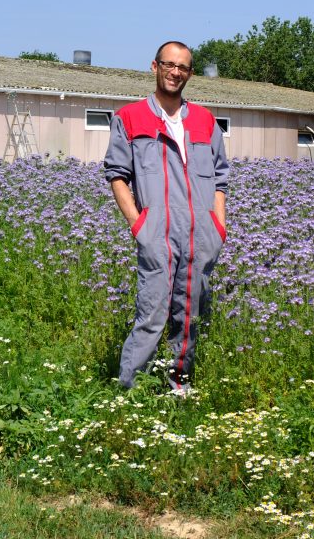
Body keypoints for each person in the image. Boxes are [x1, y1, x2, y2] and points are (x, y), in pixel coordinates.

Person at [103, 41, 229, 393]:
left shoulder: (205, 120)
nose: (176, 72)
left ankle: (179, 384)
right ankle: (130, 391)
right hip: (156, 233)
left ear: (189, 73)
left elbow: (221, 177)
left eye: (183, 67)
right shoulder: (130, 117)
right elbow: (116, 174)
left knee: (188, 316)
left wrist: (218, 225)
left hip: (201, 235)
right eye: (169, 64)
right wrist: (138, 223)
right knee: (152, 315)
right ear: (154, 66)